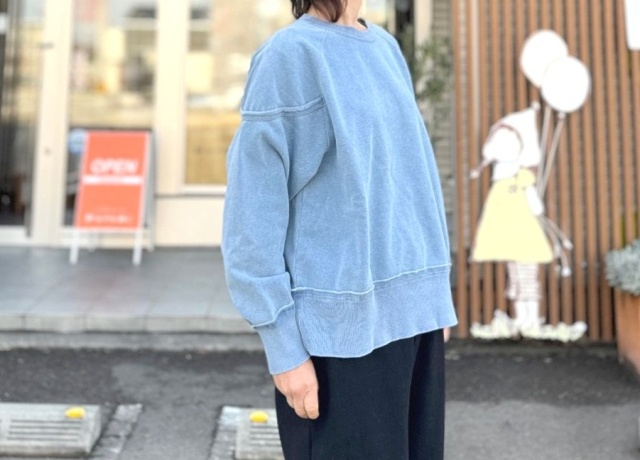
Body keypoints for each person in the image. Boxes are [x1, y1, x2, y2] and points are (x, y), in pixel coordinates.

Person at [221, 0, 457, 458]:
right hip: (338, 342)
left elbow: (413, 181)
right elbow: (251, 216)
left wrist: (432, 299)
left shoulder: (384, 46)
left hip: (415, 327)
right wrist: (283, 346)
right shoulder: (289, 57)